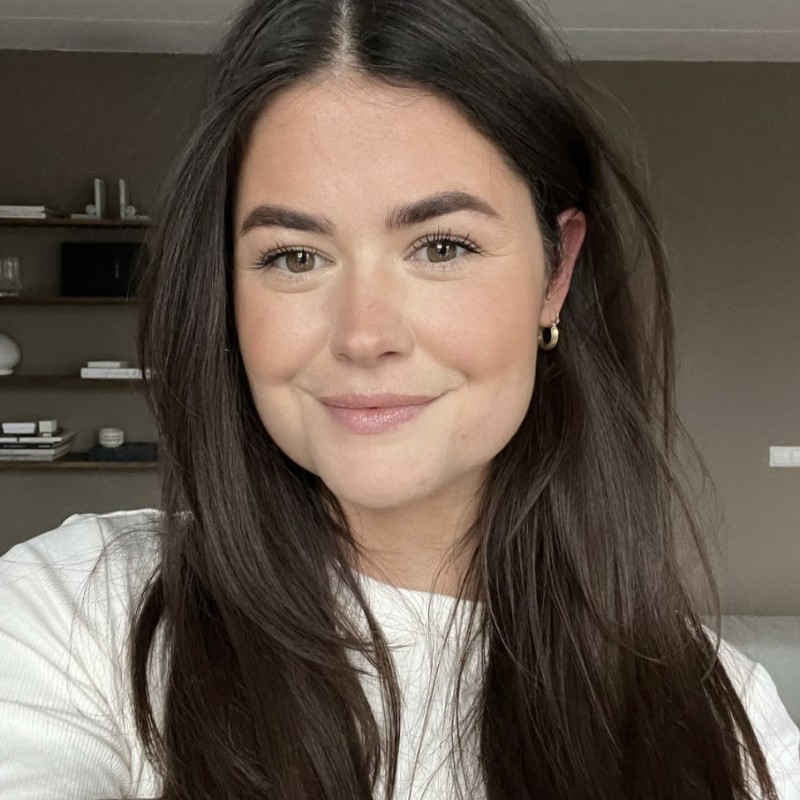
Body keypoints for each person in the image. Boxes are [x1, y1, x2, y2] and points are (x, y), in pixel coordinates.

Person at [1, 0, 799, 797]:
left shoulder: (723, 719)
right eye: (294, 256)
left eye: (442, 246)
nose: (364, 334)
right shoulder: (73, 613)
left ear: (555, 274)